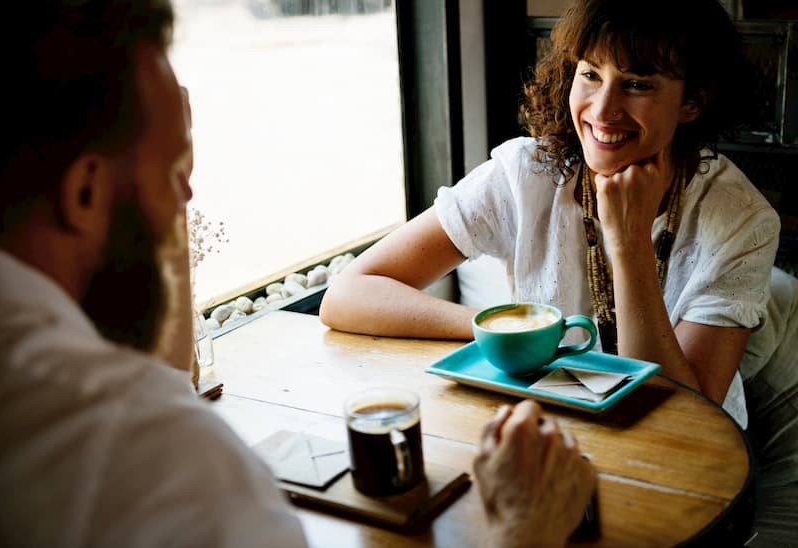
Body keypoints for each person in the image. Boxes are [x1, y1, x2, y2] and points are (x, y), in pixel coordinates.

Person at [0, 1, 595, 546]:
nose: (188, 199)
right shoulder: (164, 456)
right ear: (84, 193)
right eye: (173, 174)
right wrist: (523, 530)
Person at [320, 0, 781, 430]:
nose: (603, 110)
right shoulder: (527, 172)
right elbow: (347, 295)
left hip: (691, 459)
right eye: (591, 75)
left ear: (691, 102)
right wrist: (507, 334)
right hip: (551, 429)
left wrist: (629, 241)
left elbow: (684, 416)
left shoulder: (743, 220)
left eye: (638, 83)